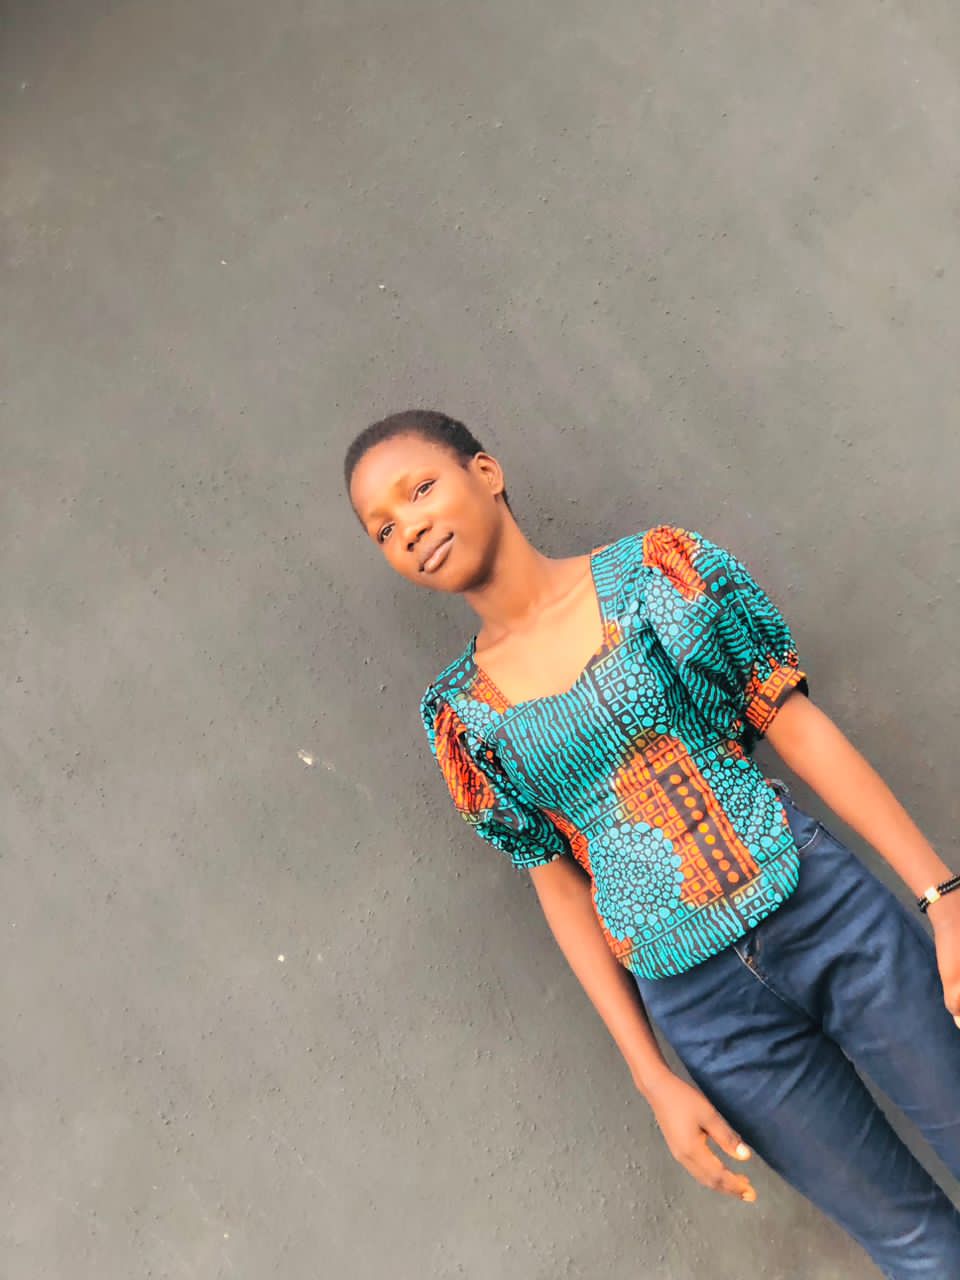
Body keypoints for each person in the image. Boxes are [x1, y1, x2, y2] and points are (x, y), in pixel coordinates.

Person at [345, 408, 960, 1278]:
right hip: (705, 1014)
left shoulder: (657, 574)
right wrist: (652, 1076)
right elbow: (558, 885)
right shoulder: (463, 717)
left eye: (419, 490)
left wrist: (943, 897)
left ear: (486, 473)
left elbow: (791, 722)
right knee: (914, 1248)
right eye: (382, 529)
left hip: (821, 911)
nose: (408, 529)